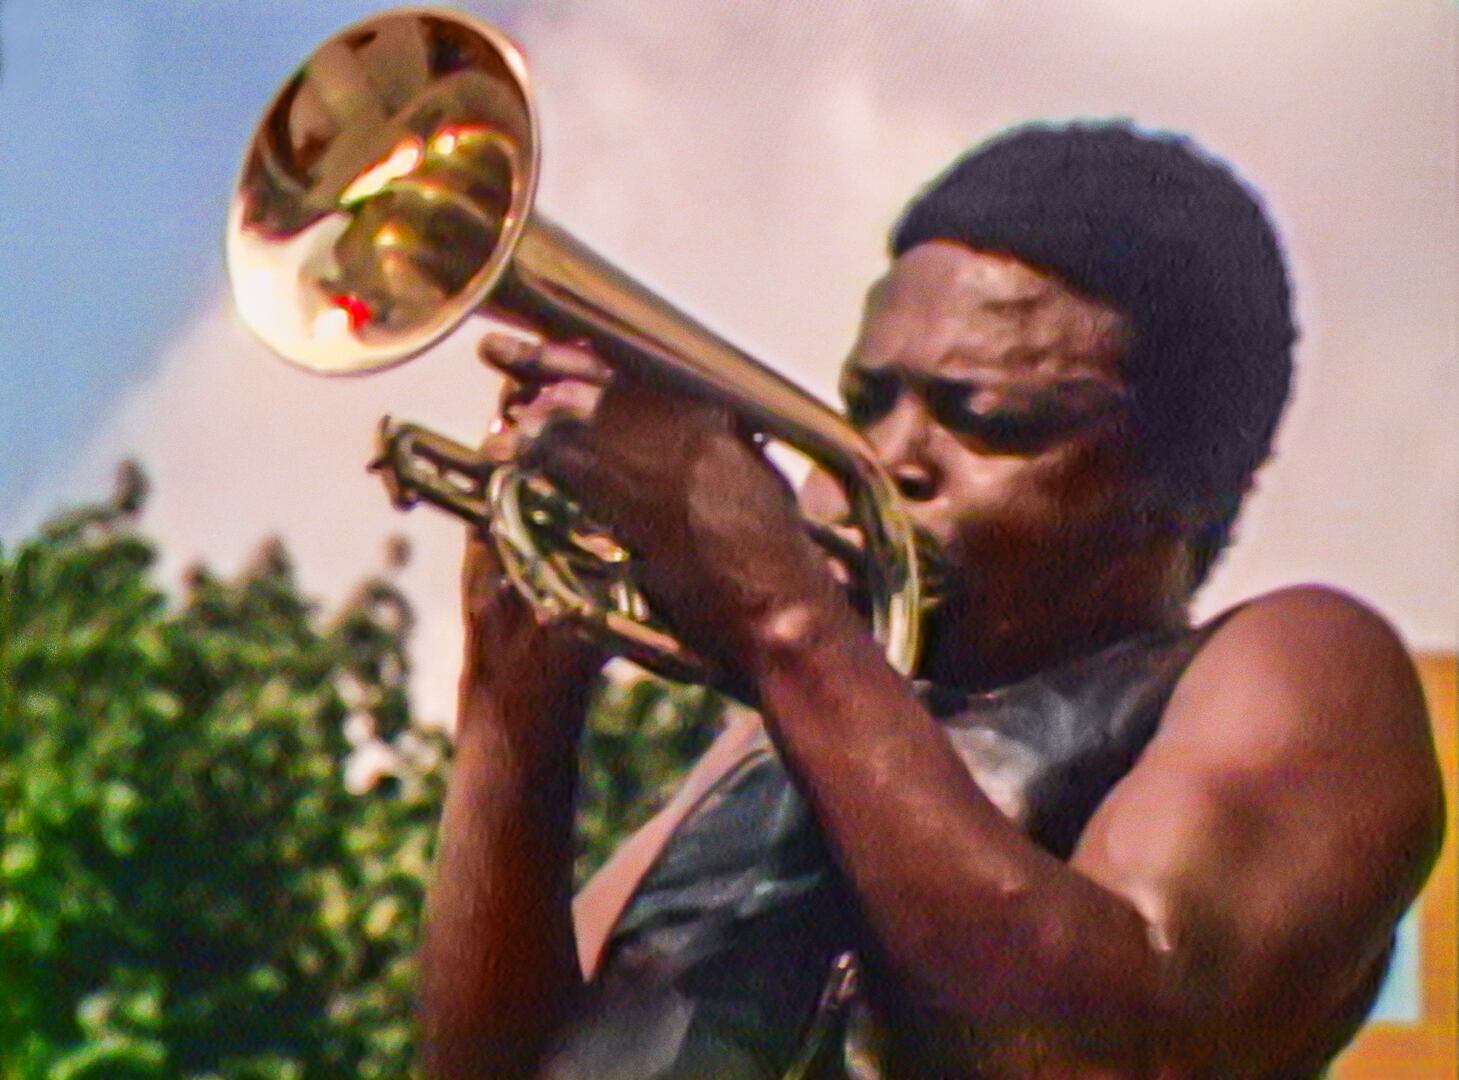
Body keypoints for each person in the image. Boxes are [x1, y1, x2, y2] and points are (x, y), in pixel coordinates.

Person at [415, 122, 1446, 1079]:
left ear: (1184, 482)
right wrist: (513, 703)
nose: (890, 459)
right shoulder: (782, 737)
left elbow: (1114, 1052)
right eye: (867, 403)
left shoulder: (1301, 663)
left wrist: (783, 619)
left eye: (986, 417)